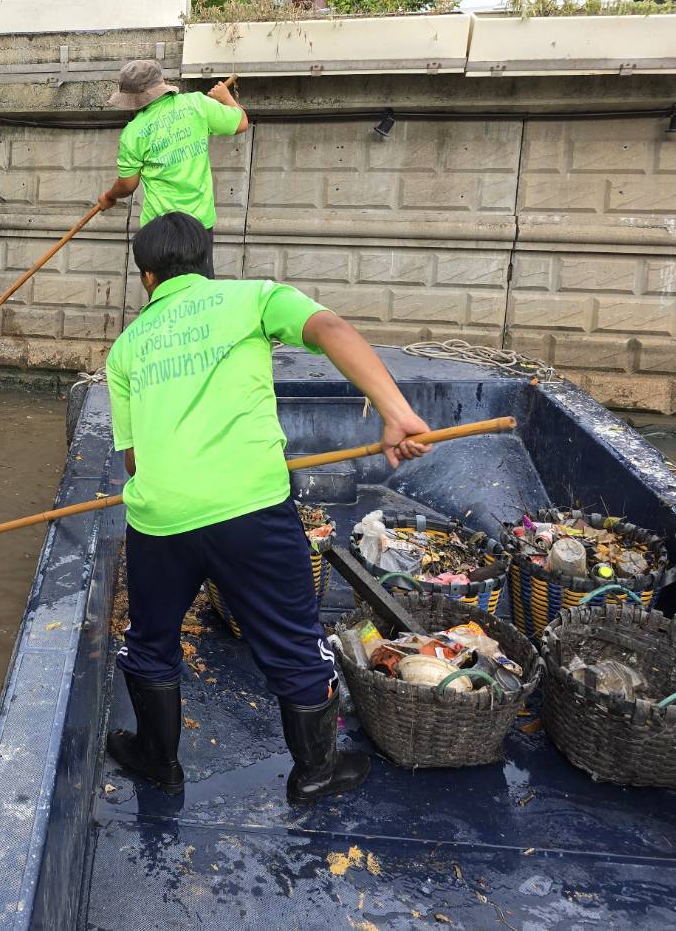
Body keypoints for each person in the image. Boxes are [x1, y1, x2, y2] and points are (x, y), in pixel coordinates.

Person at [103, 212, 433, 804]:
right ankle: (315, 773)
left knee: (150, 641)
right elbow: (329, 328)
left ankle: (158, 761)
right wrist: (395, 412)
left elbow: (133, 462)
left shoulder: (125, 347)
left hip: (159, 518)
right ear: (208, 263)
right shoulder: (252, 298)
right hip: (251, 509)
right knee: (292, 641)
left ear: (147, 278)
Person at [97, 60, 248, 277]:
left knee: (164, 289)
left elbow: (127, 185)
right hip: (198, 225)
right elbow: (241, 122)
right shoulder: (197, 104)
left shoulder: (133, 133)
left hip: (159, 229)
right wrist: (226, 98)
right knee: (200, 288)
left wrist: (109, 196)